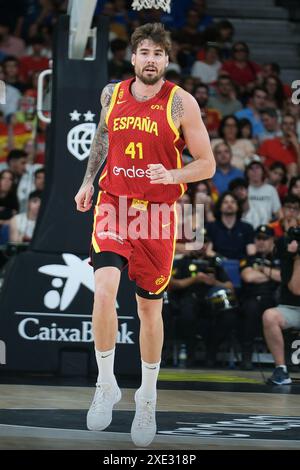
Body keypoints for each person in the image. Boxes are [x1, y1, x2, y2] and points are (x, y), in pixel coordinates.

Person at [74, 23, 215, 448]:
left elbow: (206, 163)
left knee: (148, 310)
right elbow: (101, 138)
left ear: (166, 61)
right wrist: (87, 181)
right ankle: (105, 385)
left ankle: (147, 397)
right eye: (144, 52)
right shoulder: (111, 94)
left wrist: (173, 173)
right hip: (113, 204)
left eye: (159, 53)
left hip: (157, 213)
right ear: (133, 58)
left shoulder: (180, 102)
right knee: (103, 290)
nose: (151, 59)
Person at [240, 225, 281, 370]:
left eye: (265, 238)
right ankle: (247, 357)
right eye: (258, 238)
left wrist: (263, 269)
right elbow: (248, 277)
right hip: (252, 297)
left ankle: (284, 361)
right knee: (251, 308)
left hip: (274, 299)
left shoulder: (280, 257)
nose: (261, 242)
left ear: (272, 240)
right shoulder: (249, 258)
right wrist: (271, 275)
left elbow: (283, 277)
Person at [263, 229, 300, 385]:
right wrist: (298, 258)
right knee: (269, 316)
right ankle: (281, 370)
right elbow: (297, 289)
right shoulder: (289, 257)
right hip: (292, 308)